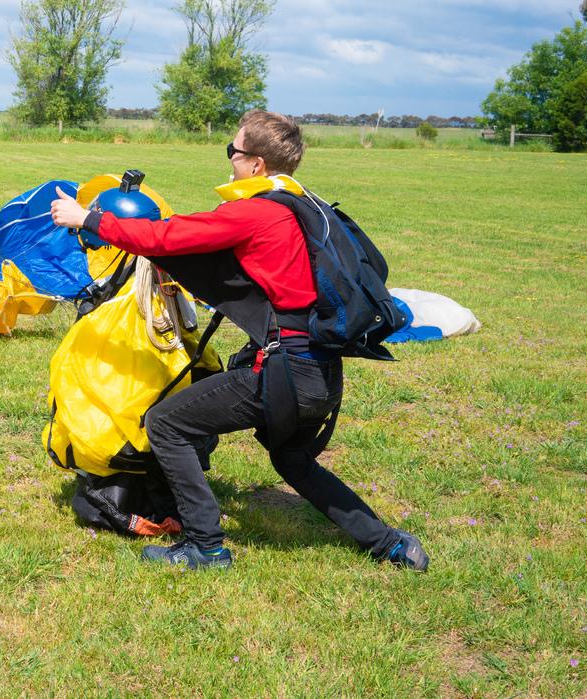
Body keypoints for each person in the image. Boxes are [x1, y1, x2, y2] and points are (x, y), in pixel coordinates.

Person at [50, 110, 429, 571]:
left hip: (285, 372)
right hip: (322, 371)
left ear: (257, 165)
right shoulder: (306, 205)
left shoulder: (258, 212)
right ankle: (390, 543)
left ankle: (206, 546)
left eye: (234, 150)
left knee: (167, 423)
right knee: (292, 460)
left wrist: (86, 217)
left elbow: (167, 236)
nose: (230, 158)